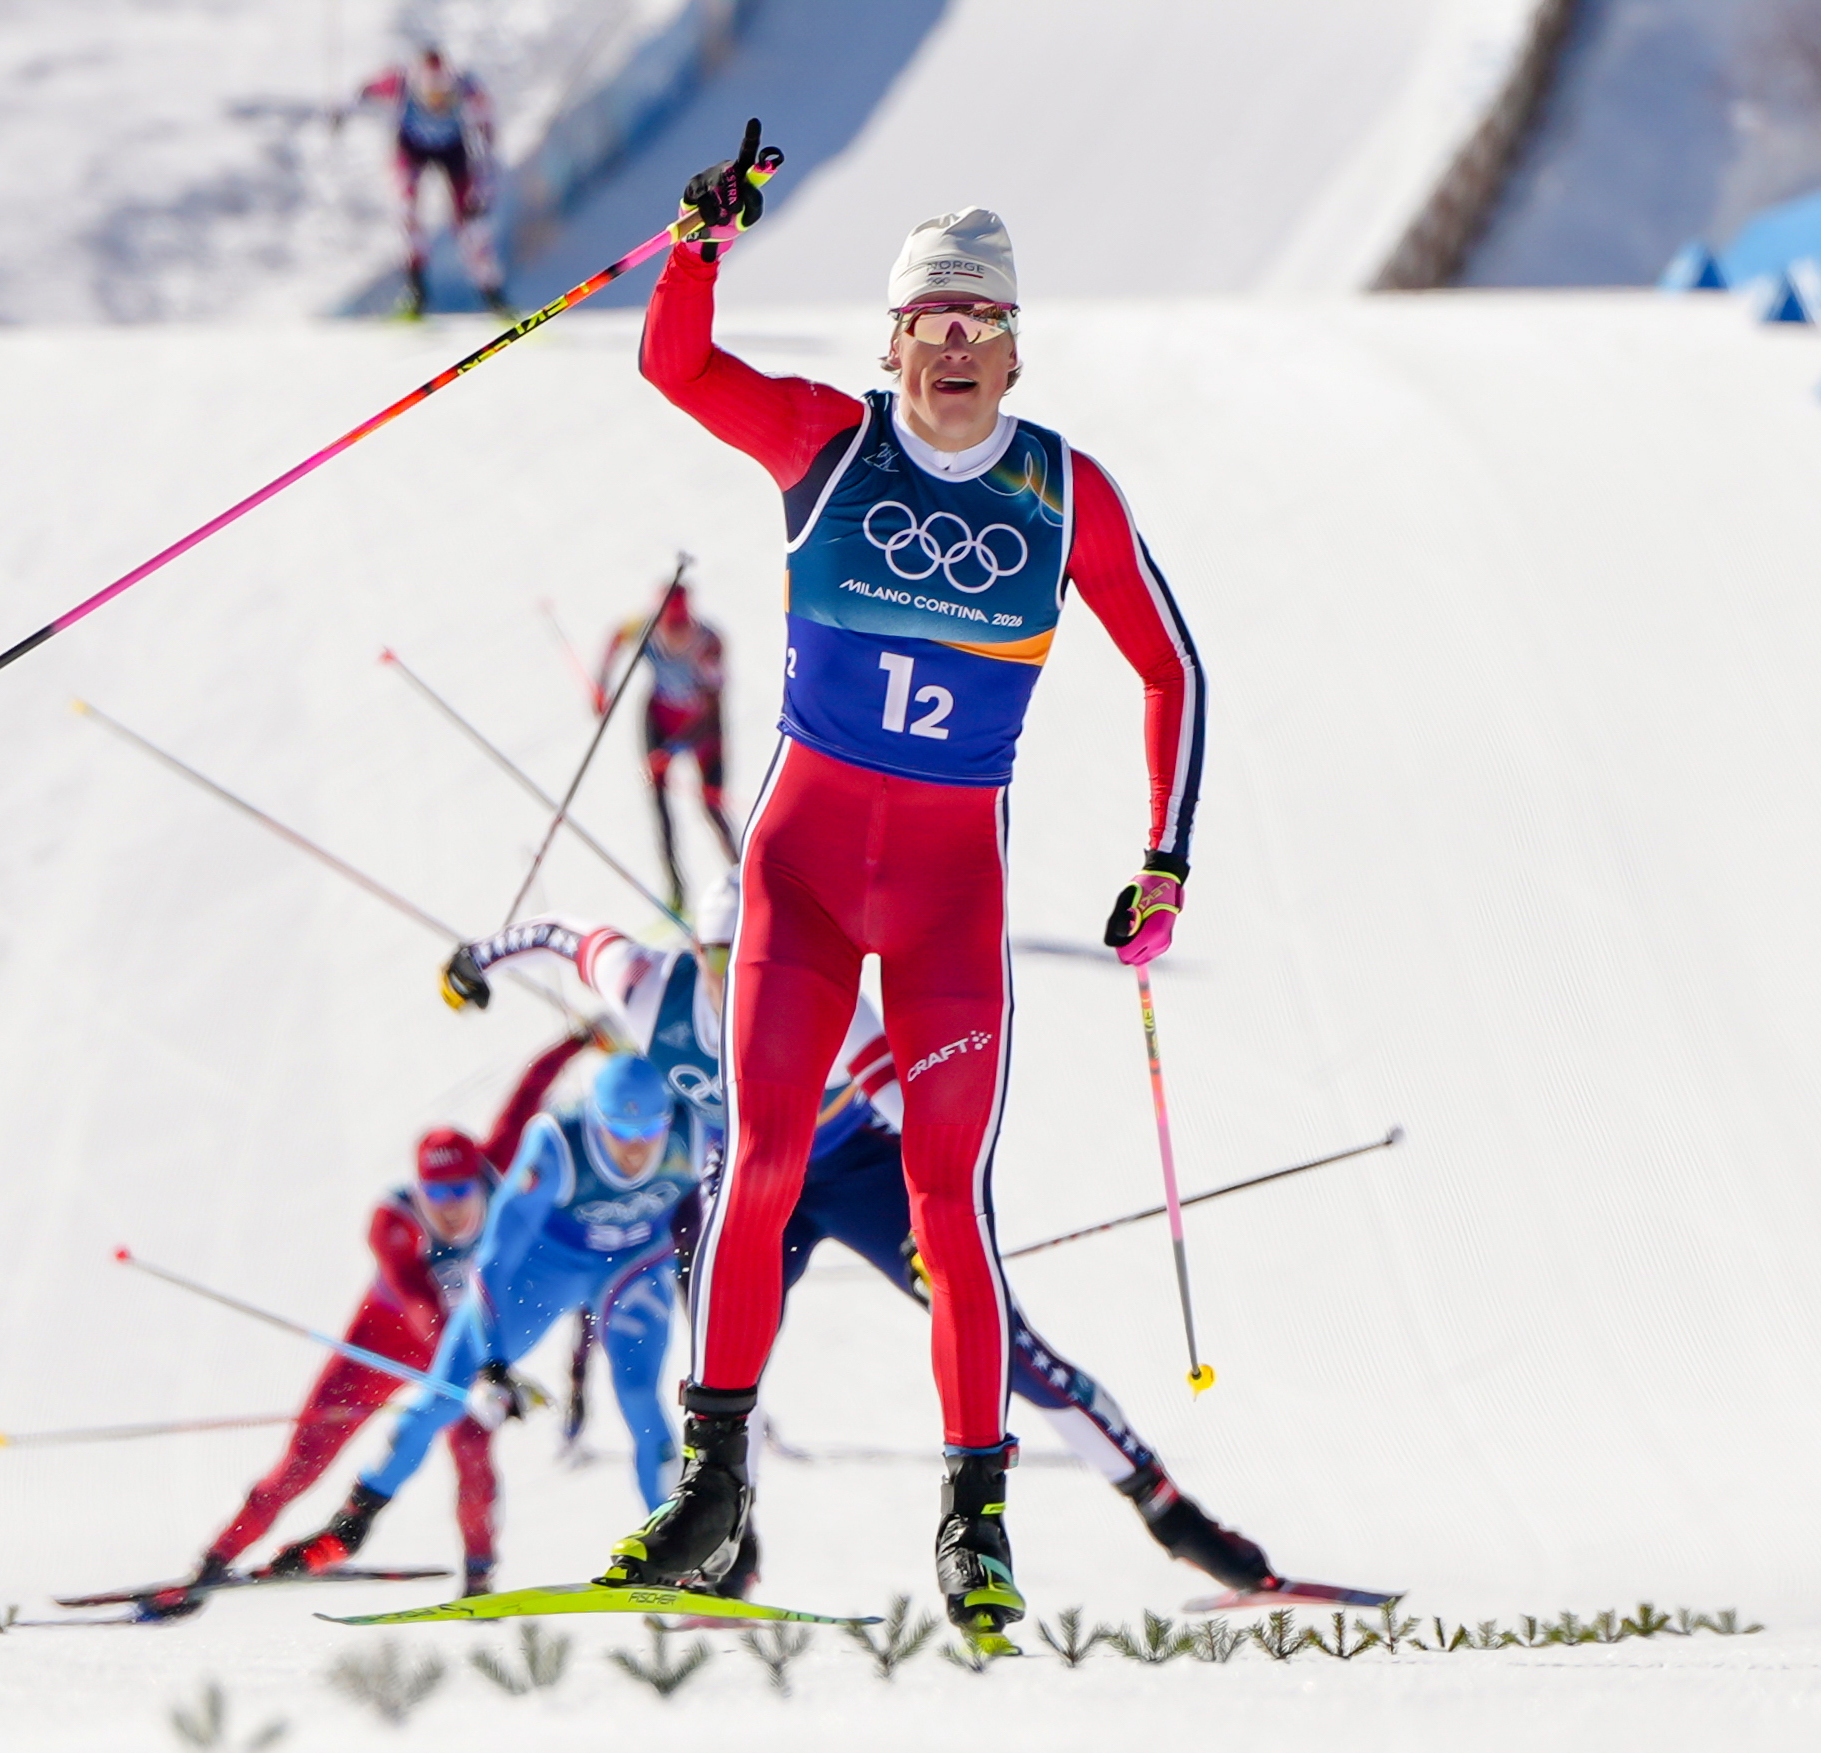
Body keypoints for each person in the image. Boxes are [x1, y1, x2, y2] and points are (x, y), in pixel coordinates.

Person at [583, 125, 1206, 1640]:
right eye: (926, 325)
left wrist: (1161, 857)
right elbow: (676, 367)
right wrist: (699, 240)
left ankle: (973, 1523)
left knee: (947, 1208)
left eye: (976, 327)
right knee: (762, 1168)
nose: (949, 353)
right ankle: (708, 1487)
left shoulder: (1068, 496)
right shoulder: (823, 442)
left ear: (1011, 348)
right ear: (893, 340)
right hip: (799, 880)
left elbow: (1169, 669)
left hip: (945, 906)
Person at [442, 873, 1271, 1602]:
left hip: (858, 1175)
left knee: (999, 1343)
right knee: (730, 1359)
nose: (744, 982)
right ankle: (731, 1546)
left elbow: (911, 1106)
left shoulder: (822, 991)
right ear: (698, 949)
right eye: (726, 959)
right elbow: (558, 936)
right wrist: (479, 957)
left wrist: (934, 1219)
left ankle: (1167, 1510)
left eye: (759, 956)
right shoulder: (647, 985)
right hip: (749, 1177)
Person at [141, 1031, 588, 1616]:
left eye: (461, 1190)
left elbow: (527, 1094)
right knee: (301, 1464)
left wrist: (578, 1040)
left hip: (455, 1350)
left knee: (474, 1454)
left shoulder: (493, 1170)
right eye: (437, 1192)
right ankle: (209, 1569)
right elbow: (421, 1303)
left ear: (479, 1177)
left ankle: (480, 1584)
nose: (451, 1205)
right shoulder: (392, 1222)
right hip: (385, 1343)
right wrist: (477, 1371)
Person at [270, 1053, 701, 1583]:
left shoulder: (693, 1127)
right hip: (543, 1270)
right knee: (445, 1394)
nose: (636, 1147)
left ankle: (675, 1554)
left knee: (640, 1397)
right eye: (620, 1129)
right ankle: (352, 1524)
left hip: (633, 1267)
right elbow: (494, 1254)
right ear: (596, 1119)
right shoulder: (558, 1145)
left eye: (649, 1130)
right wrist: (493, 1364)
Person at [596, 580, 737, 911]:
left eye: (679, 626)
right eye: (668, 627)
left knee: (712, 806)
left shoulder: (708, 643)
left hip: (700, 727)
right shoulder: (644, 627)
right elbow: (616, 636)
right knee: (660, 807)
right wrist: (601, 685)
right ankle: (676, 891)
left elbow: (713, 706)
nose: (674, 635)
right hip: (659, 718)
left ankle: (743, 874)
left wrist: (673, 751)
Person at [348, 45, 503, 315]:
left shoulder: (466, 86)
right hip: (412, 150)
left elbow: (488, 132)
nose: (436, 101)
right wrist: (343, 110)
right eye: (429, 95)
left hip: (452, 151)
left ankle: (493, 296)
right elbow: (364, 90)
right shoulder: (401, 81)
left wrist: (483, 189)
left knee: (472, 226)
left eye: (442, 95)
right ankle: (416, 293)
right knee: (406, 212)